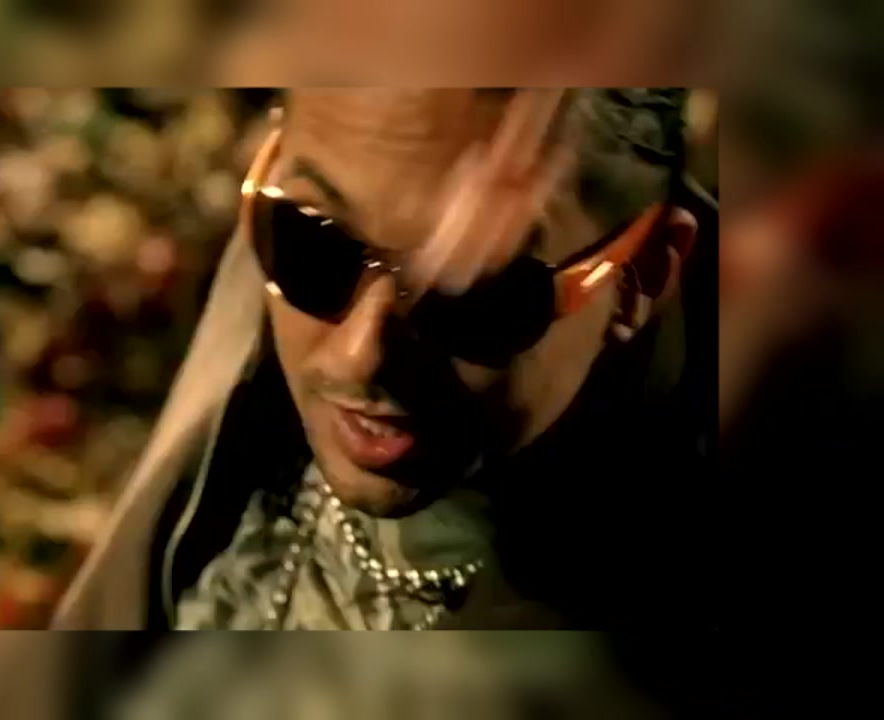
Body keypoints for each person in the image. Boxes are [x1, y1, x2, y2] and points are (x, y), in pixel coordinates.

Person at [50, 87, 720, 633]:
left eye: (471, 289)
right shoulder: (281, 234)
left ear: (641, 277)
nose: (359, 354)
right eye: (316, 241)